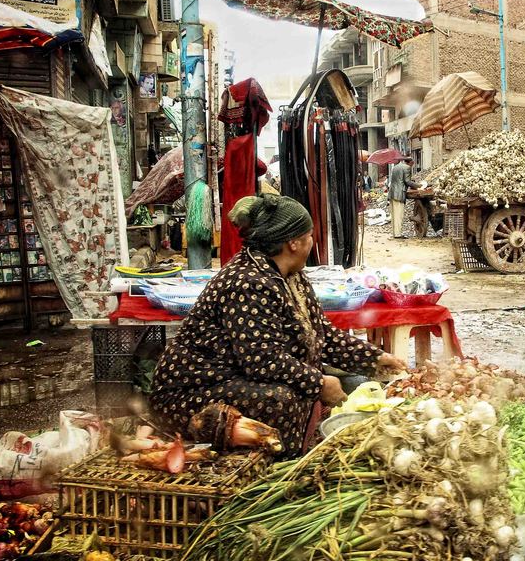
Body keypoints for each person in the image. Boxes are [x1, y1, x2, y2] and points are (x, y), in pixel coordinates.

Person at [148, 194, 407, 457]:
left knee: (322, 384)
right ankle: (280, 464)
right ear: (293, 243)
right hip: (192, 393)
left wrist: (375, 359)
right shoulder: (247, 282)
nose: (311, 242)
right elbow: (260, 359)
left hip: (234, 379)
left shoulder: (292, 275)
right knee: (283, 398)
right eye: (309, 236)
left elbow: (322, 336)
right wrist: (318, 383)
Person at [388, 157, 420, 239]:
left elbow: (400, 179)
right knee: (399, 214)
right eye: (413, 163)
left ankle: (395, 233)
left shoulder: (396, 167)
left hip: (392, 192)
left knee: (394, 214)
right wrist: (419, 186)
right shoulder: (407, 167)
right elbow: (407, 181)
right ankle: (398, 234)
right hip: (399, 193)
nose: (413, 164)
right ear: (410, 162)